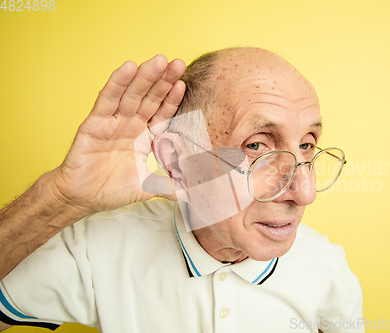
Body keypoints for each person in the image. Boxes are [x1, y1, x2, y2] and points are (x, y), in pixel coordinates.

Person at [0, 47, 363, 332]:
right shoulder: (98, 246)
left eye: (307, 145)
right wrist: (59, 198)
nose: (304, 193)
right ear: (177, 159)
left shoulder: (327, 269)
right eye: (256, 146)